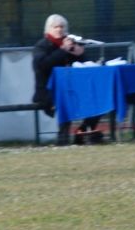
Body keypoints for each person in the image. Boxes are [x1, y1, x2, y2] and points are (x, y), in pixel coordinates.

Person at [32, 14, 103, 146]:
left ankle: (82, 132)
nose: (59, 29)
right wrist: (63, 50)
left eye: (62, 27)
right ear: (48, 29)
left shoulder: (71, 44)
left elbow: (84, 67)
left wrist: (80, 55)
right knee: (64, 99)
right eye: (55, 27)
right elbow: (42, 66)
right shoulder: (41, 46)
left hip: (73, 88)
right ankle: (63, 137)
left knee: (98, 97)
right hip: (48, 91)